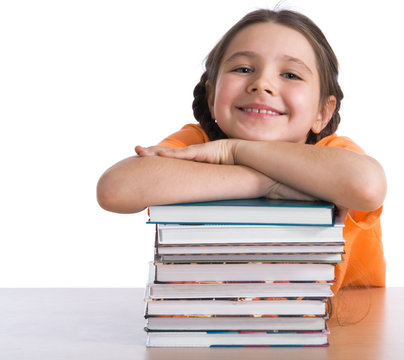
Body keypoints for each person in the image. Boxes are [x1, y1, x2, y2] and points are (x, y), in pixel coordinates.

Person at [97, 9, 387, 297]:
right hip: (204, 323)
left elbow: (366, 185)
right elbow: (115, 189)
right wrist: (266, 183)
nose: (261, 84)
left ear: (323, 112)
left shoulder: (331, 154)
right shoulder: (197, 142)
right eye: (243, 69)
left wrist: (235, 150)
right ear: (211, 97)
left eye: (290, 74)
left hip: (335, 326)